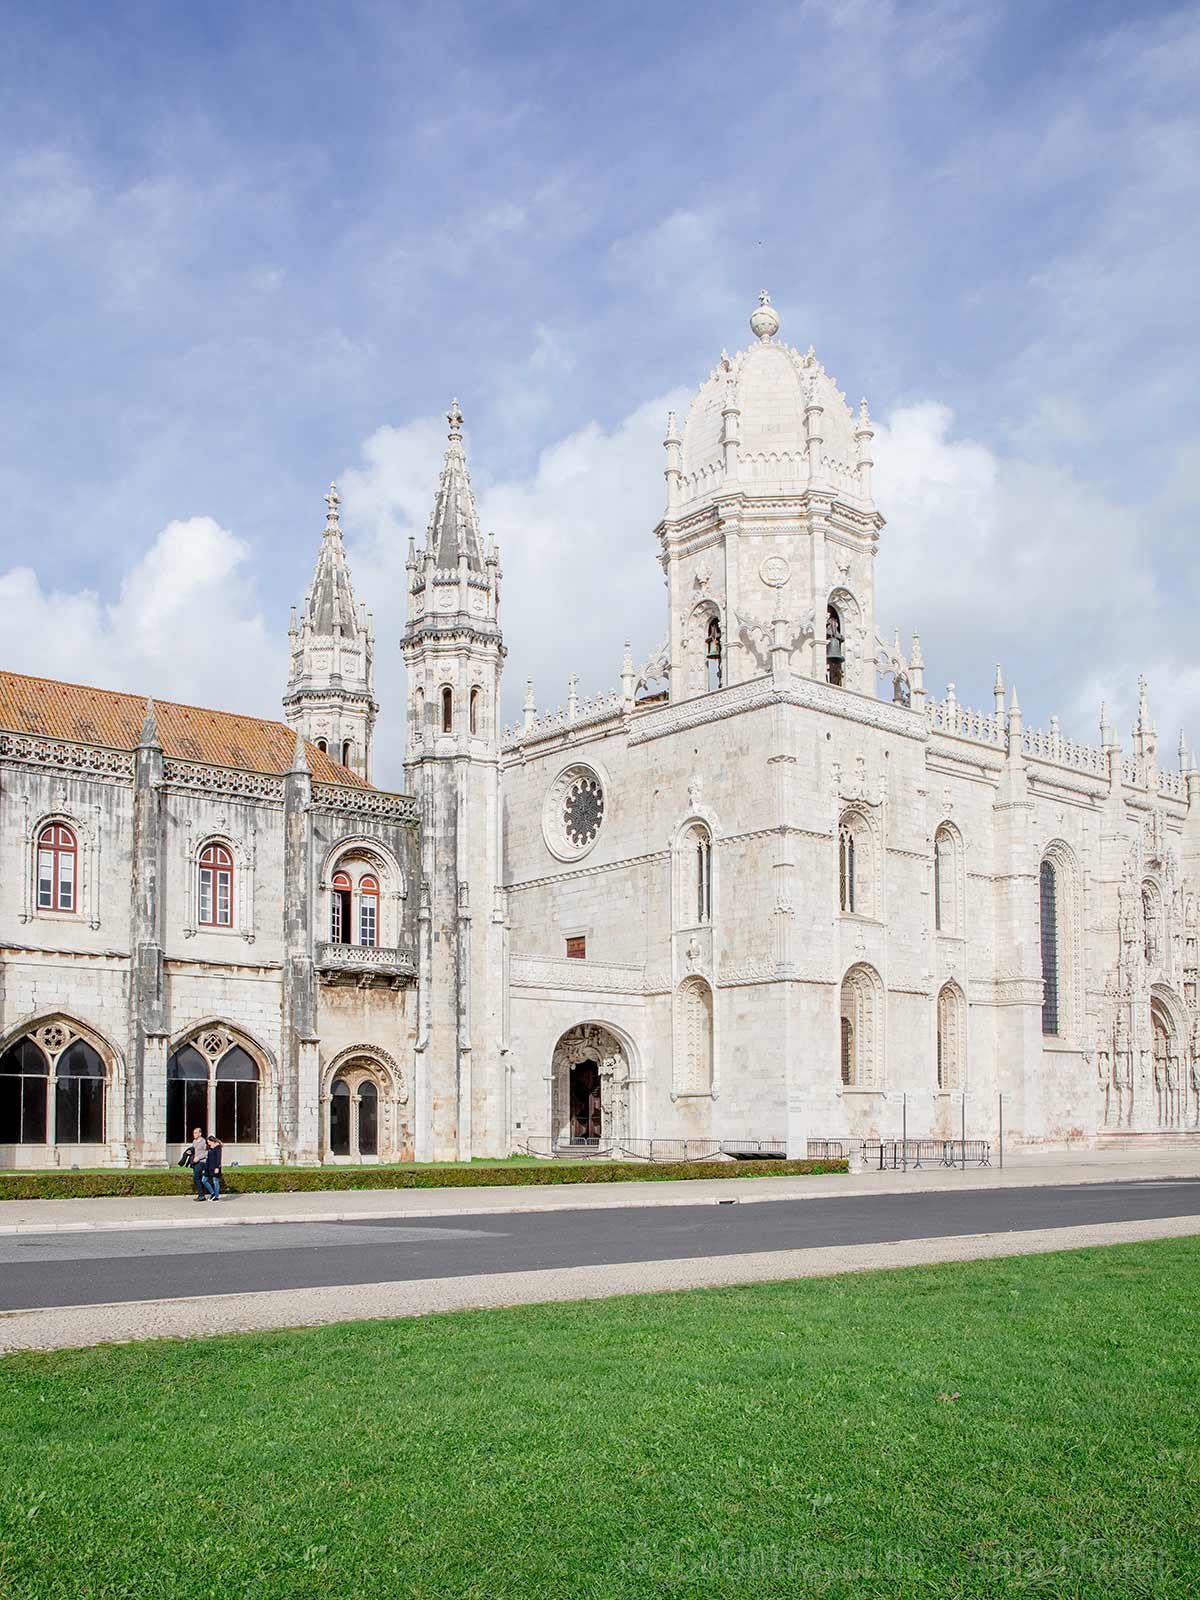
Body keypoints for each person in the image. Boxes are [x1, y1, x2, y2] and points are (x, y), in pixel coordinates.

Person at [182, 1126, 208, 1201]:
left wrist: (198, 1157)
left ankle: (201, 1195)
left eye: (196, 1133)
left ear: (200, 1133)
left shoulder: (203, 1142)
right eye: (194, 1133)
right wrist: (189, 1152)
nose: (194, 1134)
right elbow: (193, 1150)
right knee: (197, 1178)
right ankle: (201, 1194)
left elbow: (206, 1153)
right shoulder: (194, 1141)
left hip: (201, 1162)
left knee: (196, 1177)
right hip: (194, 1162)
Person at [202, 1134, 224, 1202]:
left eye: (209, 1142)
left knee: (215, 1181)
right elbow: (208, 1158)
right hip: (208, 1167)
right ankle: (212, 1193)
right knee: (204, 1180)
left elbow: (218, 1158)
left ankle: (216, 1196)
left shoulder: (218, 1147)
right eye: (207, 1142)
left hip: (215, 1167)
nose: (208, 1143)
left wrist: (217, 1167)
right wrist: (205, 1168)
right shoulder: (210, 1148)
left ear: (213, 1141)